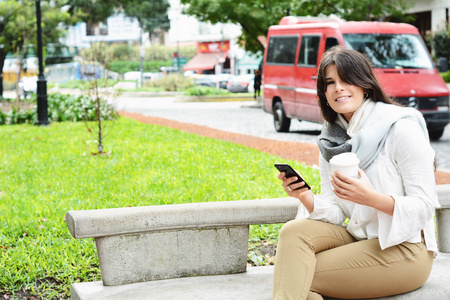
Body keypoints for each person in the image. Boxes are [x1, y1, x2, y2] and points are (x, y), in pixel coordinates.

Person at [273, 47, 440, 300]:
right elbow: (337, 212)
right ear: (324, 93)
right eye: (330, 83)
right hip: (358, 239)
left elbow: (425, 206)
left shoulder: (401, 129)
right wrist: (305, 196)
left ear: (365, 85)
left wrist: (370, 198)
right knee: (292, 234)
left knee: (295, 272)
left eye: (346, 79)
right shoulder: (332, 142)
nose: (338, 88)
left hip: (405, 249)